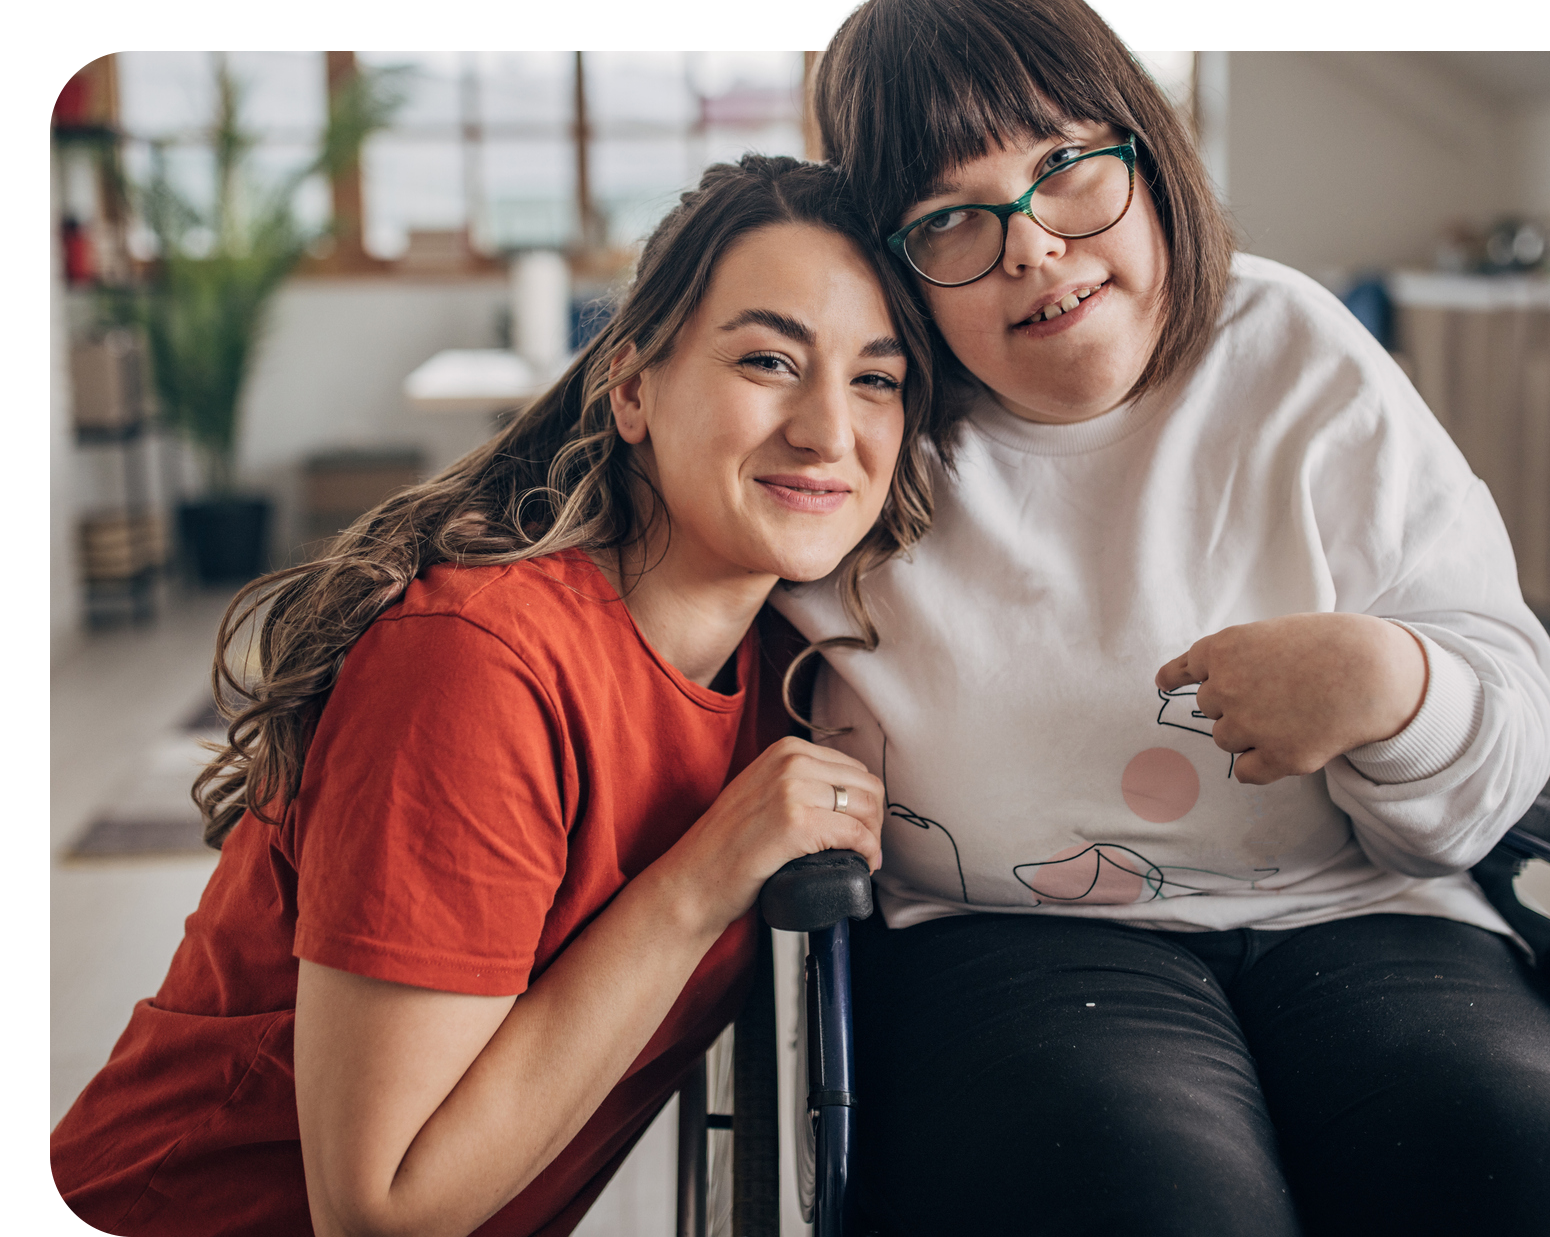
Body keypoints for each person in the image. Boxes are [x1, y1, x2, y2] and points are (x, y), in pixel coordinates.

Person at [771, 0, 1550, 1237]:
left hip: (1368, 906)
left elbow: (1493, 742)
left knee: (1537, 1180)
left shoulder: (1296, 354)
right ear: (892, 262)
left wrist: (1394, 687)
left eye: (1068, 164)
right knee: (1149, 1200)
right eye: (950, 218)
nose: (1035, 246)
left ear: (1150, 147)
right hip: (1006, 937)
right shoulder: (862, 426)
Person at [50, 155, 937, 1237]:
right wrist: (701, 876)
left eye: (877, 380)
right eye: (767, 359)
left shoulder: (784, 673)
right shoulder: (471, 668)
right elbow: (380, 1211)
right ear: (630, 386)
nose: (828, 430)